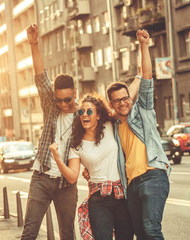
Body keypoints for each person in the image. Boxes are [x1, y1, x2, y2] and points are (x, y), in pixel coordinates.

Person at [106, 29, 171, 239]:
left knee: (151, 228)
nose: (123, 102)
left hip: (153, 175)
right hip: (132, 185)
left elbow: (146, 80)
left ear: (130, 97)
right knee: (141, 233)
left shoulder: (142, 111)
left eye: (125, 98)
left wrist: (144, 46)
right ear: (112, 104)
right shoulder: (114, 127)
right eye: (118, 100)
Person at [49, 94, 134, 240]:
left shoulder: (110, 126)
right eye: (81, 112)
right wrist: (57, 157)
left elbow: (122, 98)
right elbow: (72, 177)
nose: (84, 115)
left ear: (99, 115)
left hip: (122, 196)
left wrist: (139, 76)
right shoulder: (77, 144)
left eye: (89, 111)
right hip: (98, 199)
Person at [21, 24, 78, 240]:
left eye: (67, 99)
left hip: (66, 185)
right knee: (29, 232)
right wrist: (34, 44)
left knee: (67, 233)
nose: (63, 104)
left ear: (74, 94)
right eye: (59, 99)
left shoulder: (84, 116)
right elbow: (41, 76)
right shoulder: (50, 106)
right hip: (42, 178)